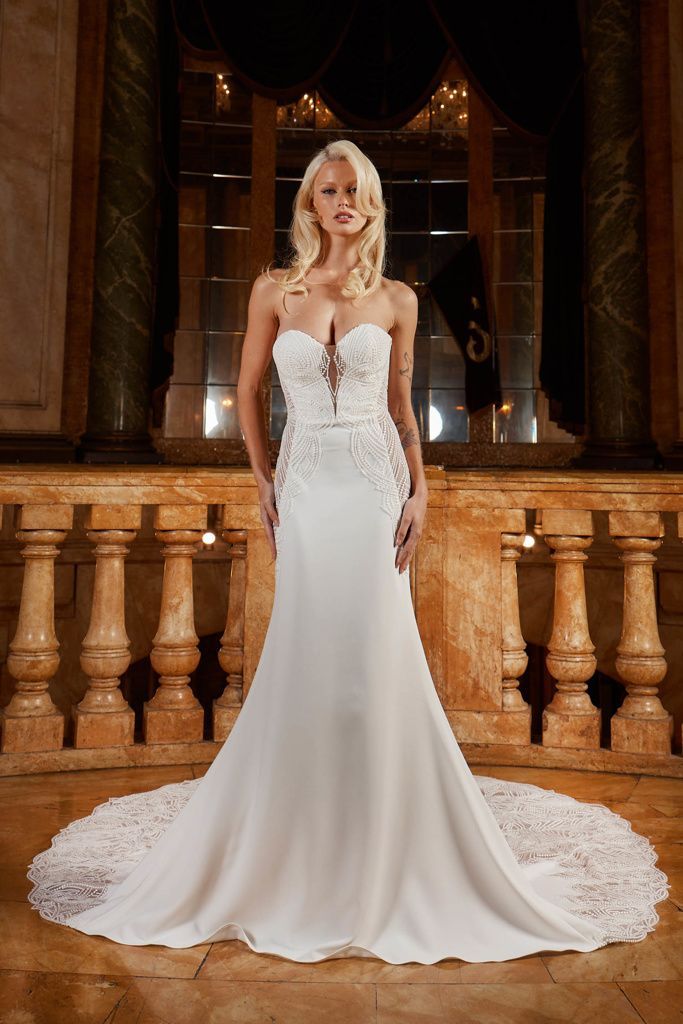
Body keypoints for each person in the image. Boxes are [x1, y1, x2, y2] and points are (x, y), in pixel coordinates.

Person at [26, 139, 668, 964]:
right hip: (303, 487)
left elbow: (401, 406)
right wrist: (261, 479)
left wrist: (420, 489)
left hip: (370, 489)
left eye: (355, 191)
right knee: (304, 650)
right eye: (330, 190)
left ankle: (382, 839)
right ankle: (294, 835)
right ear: (309, 203)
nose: (343, 202)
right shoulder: (273, 289)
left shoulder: (396, 298)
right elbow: (248, 390)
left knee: (371, 653)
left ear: (369, 205)